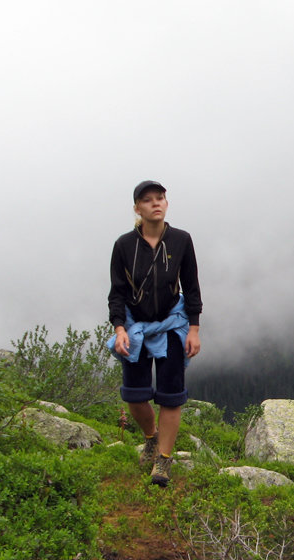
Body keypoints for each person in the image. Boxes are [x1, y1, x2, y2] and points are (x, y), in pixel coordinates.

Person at [107, 180, 202, 486]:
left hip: (172, 325)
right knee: (135, 397)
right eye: (147, 200)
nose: (155, 203)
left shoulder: (181, 241)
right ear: (137, 208)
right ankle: (151, 436)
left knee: (171, 397)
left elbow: (191, 286)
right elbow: (117, 293)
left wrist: (194, 329)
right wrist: (120, 328)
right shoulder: (124, 246)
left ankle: (163, 460)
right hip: (136, 327)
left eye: (160, 198)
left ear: (166, 203)